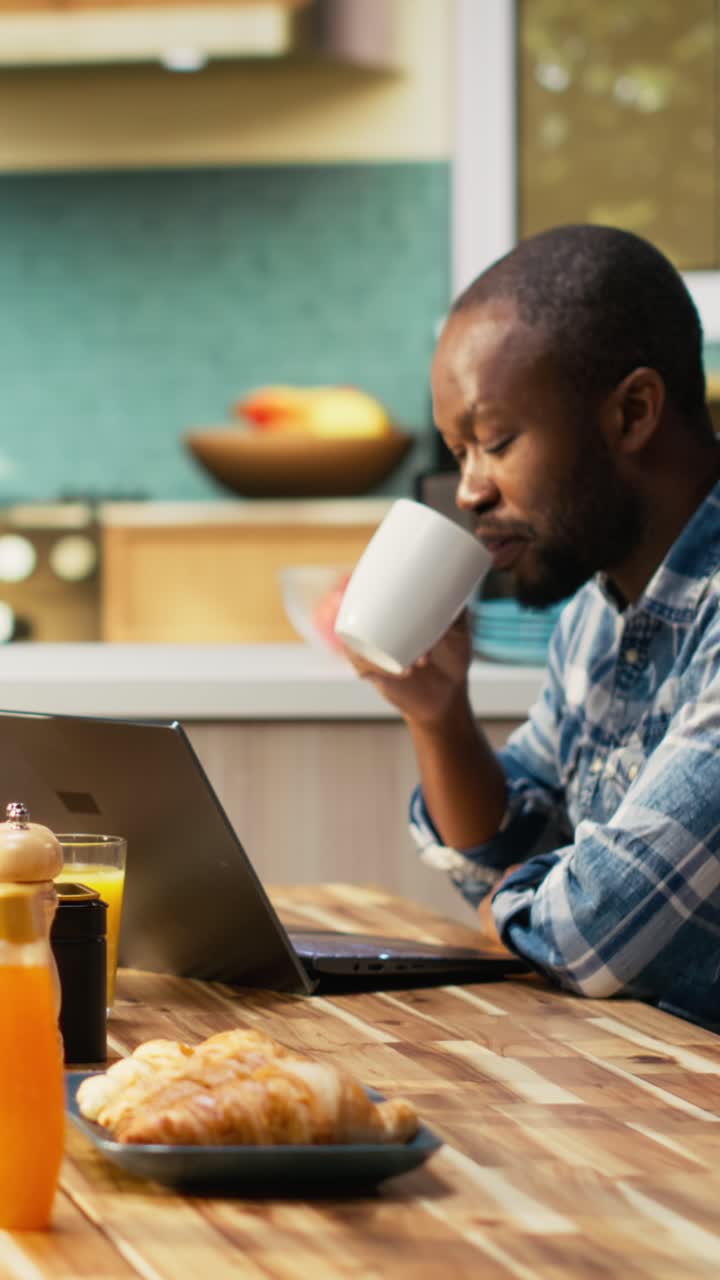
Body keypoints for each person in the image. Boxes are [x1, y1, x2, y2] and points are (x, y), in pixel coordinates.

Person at [348, 223, 720, 1029]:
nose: (470, 491)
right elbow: (509, 864)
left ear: (632, 414)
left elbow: (588, 930)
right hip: (651, 1086)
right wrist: (439, 717)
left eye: (496, 443)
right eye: (459, 452)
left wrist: (530, 902)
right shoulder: (595, 610)